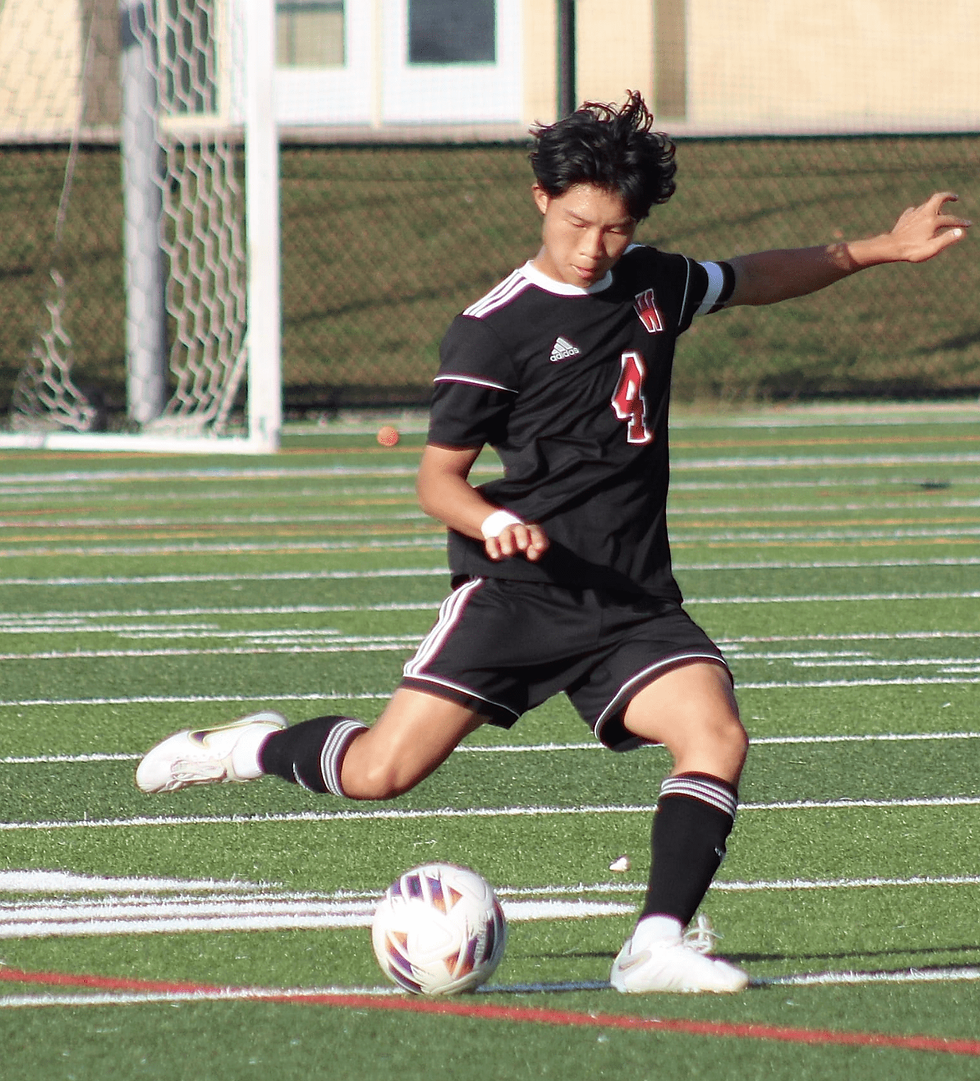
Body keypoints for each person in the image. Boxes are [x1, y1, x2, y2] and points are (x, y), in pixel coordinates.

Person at [135, 92, 969, 994]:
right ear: (541, 199)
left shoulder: (654, 282)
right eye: (577, 222)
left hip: (631, 598)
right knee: (382, 770)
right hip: (518, 592)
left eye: (614, 229)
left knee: (715, 732)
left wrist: (881, 248)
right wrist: (492, 519)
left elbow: (753, 275)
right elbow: (436, 482)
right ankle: (251, 747)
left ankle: (654, 943)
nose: (592, 247)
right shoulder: (494, 329)